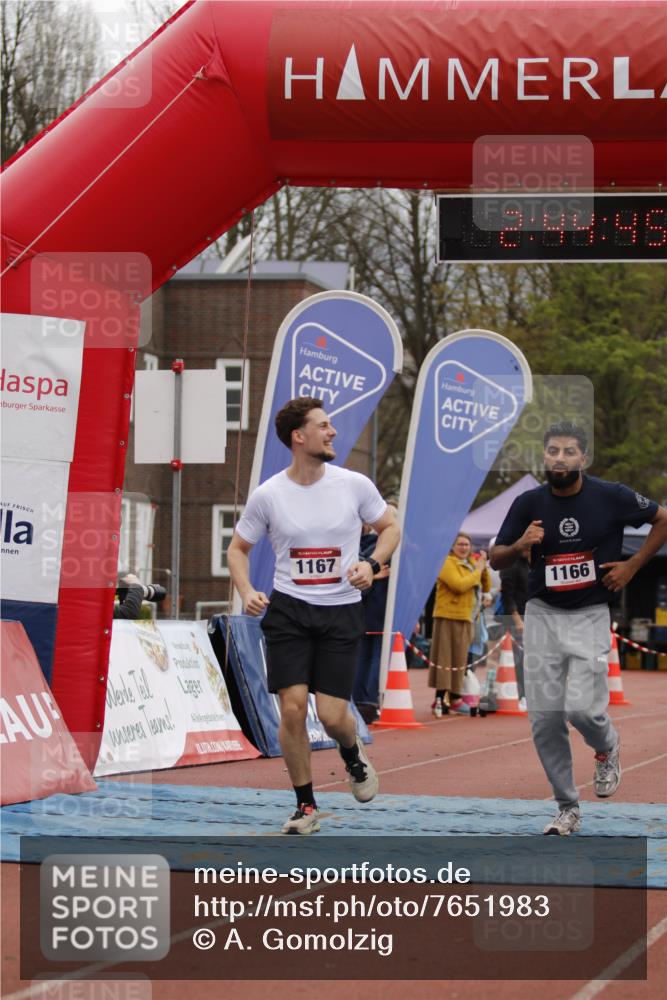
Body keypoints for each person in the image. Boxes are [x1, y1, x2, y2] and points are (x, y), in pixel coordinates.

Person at [227, 397, 400, 835]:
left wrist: (372, 564)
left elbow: (391, 527)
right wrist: (247, 590)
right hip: (289, 611)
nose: (333, 432)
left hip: (340, 610)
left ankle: (351, 752)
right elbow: (237, 549)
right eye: (324, 426)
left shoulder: (353, 484)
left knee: (332, 715)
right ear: (298, 437)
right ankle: (306, 806)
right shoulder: (269, 495)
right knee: (291, 708)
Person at [491, 420, 667, 836]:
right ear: (545, 457)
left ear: (583, 459)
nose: (560, 458)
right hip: (543, 614)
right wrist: (519, 546)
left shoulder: (612, 496)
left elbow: (663, 519)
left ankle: (607, 746)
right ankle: (567, 806)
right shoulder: (527, 503)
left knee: (582, 709)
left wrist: (632, 566)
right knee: (544, 718)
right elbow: (496, 556)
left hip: (589, 613)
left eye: (569, 451)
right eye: (553, 451)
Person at [428, 532, 491, 717]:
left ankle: (451, 698)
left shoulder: (471, 563)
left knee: (459, 660)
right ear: (453, 546)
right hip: (448, 616)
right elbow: (459, 585)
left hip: (466, 617)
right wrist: (478, 571)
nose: (464, 548)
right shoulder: (447, 562)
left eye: (466, 544)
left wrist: (482, 567)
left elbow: (485, 587)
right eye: (460, 544)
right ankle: (445, 699)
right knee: (445, 659)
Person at [353, 510, 395, 724]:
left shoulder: (363, 543)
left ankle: (363, 700)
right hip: (374, 610)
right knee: (373, 655)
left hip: (367, 609)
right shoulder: (375, 546)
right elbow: (361, 571)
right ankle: (368, 700)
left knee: (366, 655)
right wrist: (374, 575)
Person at [499, 541, 531, 708]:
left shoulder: (530, 564)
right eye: (526, 546)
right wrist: (517, 620)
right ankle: (521, 695)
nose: (528, 550)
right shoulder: (511, 566)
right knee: (519, 660)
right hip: (516, 618)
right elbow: (507, 596)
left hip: (533, 617)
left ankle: (530, 694)